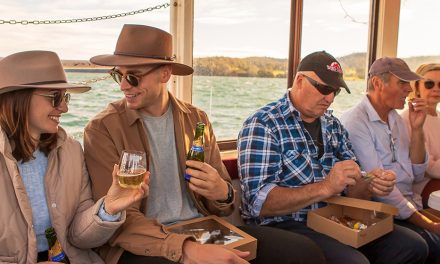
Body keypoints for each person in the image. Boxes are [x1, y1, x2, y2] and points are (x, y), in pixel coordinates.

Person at [84, 24, 325, 264]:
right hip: (143, 244)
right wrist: (189, 250)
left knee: (304, 253)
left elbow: (223, 205)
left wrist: (221, 192)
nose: (124, 85)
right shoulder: (102, 129)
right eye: (119, 75)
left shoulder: (196, 119)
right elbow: (118, 220)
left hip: (201, 229)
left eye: (133, 77)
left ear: (165, 74)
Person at [238, 51, 428, 264]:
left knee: (413, 245)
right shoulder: (264, 124)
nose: (329, 98)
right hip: (284, 223)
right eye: (324, 88)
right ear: (299, 81)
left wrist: (371, 182)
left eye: (335, 92)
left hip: (334, 217)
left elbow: (354, 191)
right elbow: (258, 203)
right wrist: (326, 187)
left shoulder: (333, 125)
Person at [0, 50, 148, 263]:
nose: (65, 107)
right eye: (55, 97)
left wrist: (109, 208)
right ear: (18, 99)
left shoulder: (70, 151)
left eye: (65, 97)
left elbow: (78, 238)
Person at [340, 57, 440, 263]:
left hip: (409, 204)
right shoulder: (356, 122)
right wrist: (426, 222)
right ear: (378, 83)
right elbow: (380, 189)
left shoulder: (396, 119)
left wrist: (418, 129)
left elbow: (417, 173)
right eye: (402, 83)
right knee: (430, 245)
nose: (408, 90)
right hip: (381, 211)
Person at [401, 63, 440, 206]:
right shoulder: (408, 119)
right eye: (429, 84)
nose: (436, 89)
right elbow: (427, 167)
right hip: (420, 187)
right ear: (416, 87)